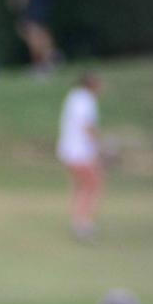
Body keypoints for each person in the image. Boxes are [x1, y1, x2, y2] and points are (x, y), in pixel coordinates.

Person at [56, 71, 102, 239]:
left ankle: (77, 220)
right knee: (91, 184)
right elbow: (86, 126)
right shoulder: (85, 100)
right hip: (79, 151)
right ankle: (83, 222)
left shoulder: (73, 97)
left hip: (68, 149)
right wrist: (100, 144)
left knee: (79, 186)